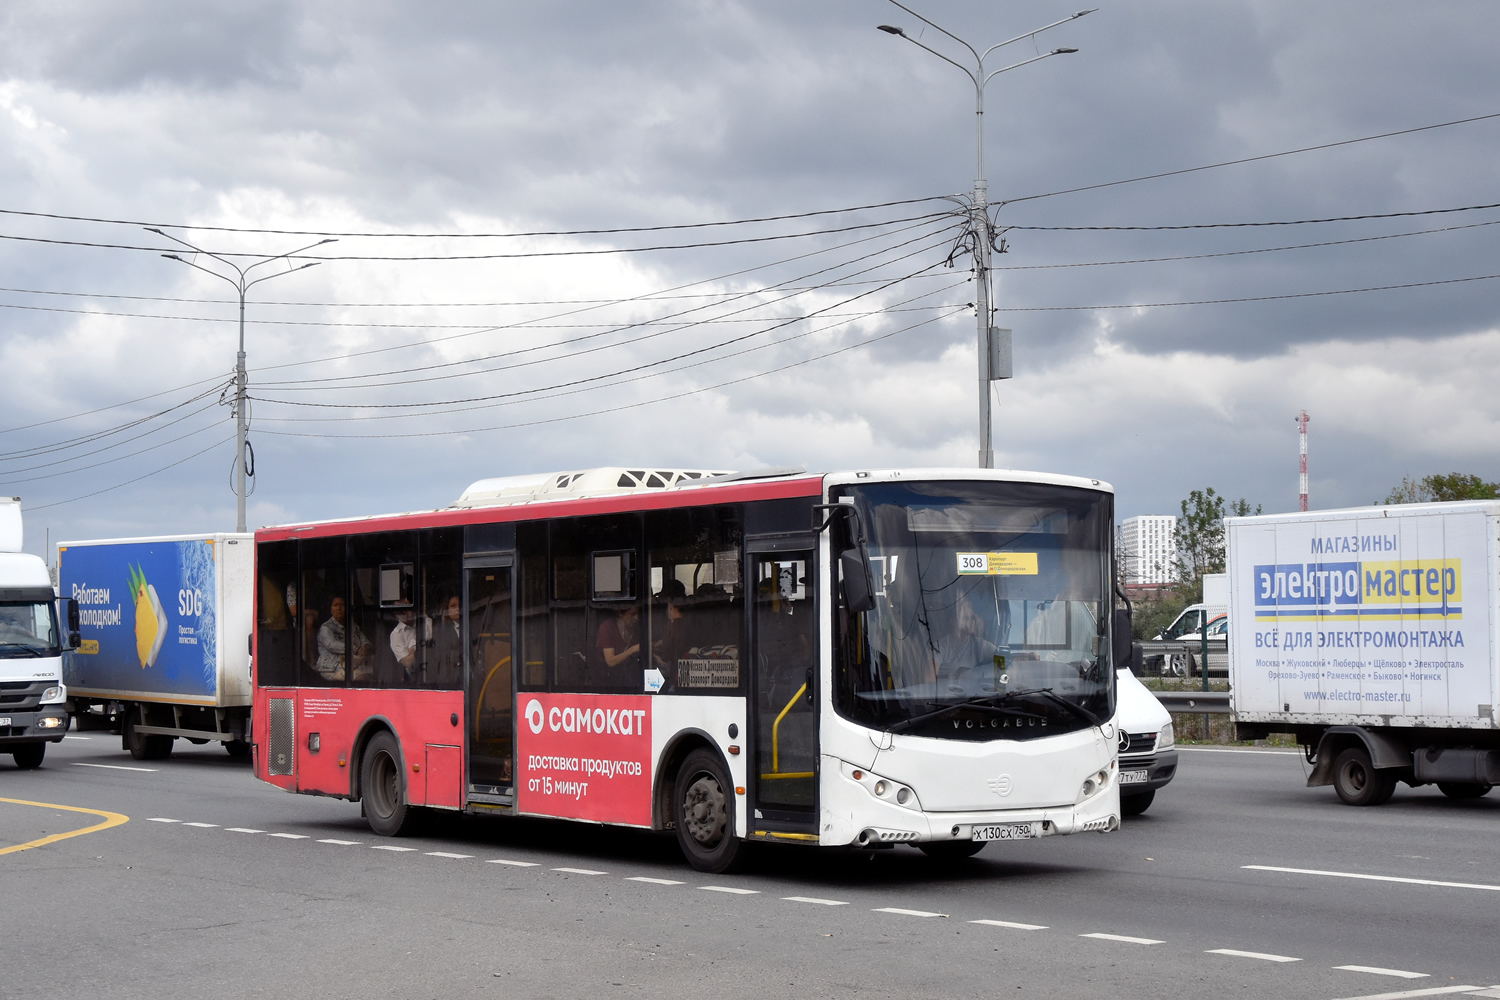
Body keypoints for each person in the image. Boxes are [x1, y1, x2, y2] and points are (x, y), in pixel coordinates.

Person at [936, 595, 1000, 688]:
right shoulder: (939, 646)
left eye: (973, 618)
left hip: (973, 697)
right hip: (946, 698)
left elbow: (1002, 659)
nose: (971, 622)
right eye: (966, 618)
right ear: (953, 621)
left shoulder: (979, 645)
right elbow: (929, 680)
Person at [316, 596, 372, 682]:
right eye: (335, 605)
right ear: (331, 610)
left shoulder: (353, 626)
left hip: (353, 664)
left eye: (342, 605)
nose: (339, 608)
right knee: (360, 678)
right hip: (331, 667)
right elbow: (332, 645)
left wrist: (366, 647)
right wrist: (355, 649)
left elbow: (365, 640)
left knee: (370, 677)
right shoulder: (326, 627)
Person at [595, 604, 642, 682]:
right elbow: (610, 661)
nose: (637, 618)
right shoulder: (607, 627)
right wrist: (632, 650)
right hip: (607, 680)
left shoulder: (636, 629)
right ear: (621, 613)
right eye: (632, 614)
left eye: (638, 614)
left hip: (629, 678)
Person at [390, 607, 418, 678]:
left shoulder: (426, 621)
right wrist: (422, 650)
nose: (404, 613)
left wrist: (413, 652)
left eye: (406, 608)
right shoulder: (396, 634)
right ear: (395, 614)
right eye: (400, 611)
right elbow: (407, 662)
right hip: (416, 676)